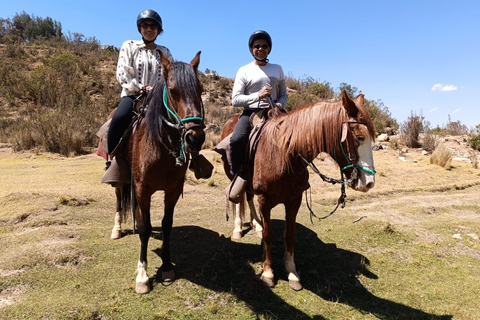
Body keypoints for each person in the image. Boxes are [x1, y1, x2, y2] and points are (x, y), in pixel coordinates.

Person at [103, 9, 173, 183]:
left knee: (182, 123)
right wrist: (141, 87)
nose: (149, 29)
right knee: (119, 118)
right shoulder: (129, 46)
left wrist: (158, 90)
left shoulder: (164, 51)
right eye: (145, 25)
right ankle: (112, 161)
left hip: (159, 99)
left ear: (158, 30)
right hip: (134, 95)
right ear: (139, 28)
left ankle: (187, 158)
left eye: (153, 26)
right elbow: (122, 73)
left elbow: (171, 75)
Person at [229, 30, 288, 176]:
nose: (260, 49)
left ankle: (300, 176)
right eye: (257, 46)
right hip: (250, 112)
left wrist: (279, 105)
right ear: (251, 49)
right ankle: (237, 175)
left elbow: (284, 95)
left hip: (275, 111)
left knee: (297, 136)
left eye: (264, 46)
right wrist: (258, 96)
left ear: (269, 49)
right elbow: (235, 100)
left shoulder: (277, 68)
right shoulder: (244, 70)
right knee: (237, 139)